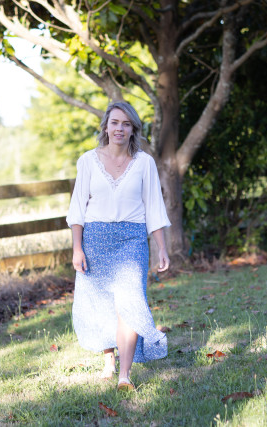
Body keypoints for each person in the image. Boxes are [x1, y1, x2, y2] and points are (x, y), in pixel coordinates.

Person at [66, 101, 171, 391]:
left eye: (126, 124)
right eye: (115, 123)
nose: (120, 129)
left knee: (130, 301)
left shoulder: (144, 163)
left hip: (132, 240)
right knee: (101, 302)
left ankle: (124, 374)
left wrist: (161, 248)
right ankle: (108, 360)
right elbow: (77, 209)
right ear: (106, 127)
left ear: (133, 129)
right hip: (95, 238)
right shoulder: (88, 161)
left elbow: (154, 207)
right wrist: (77, 248)